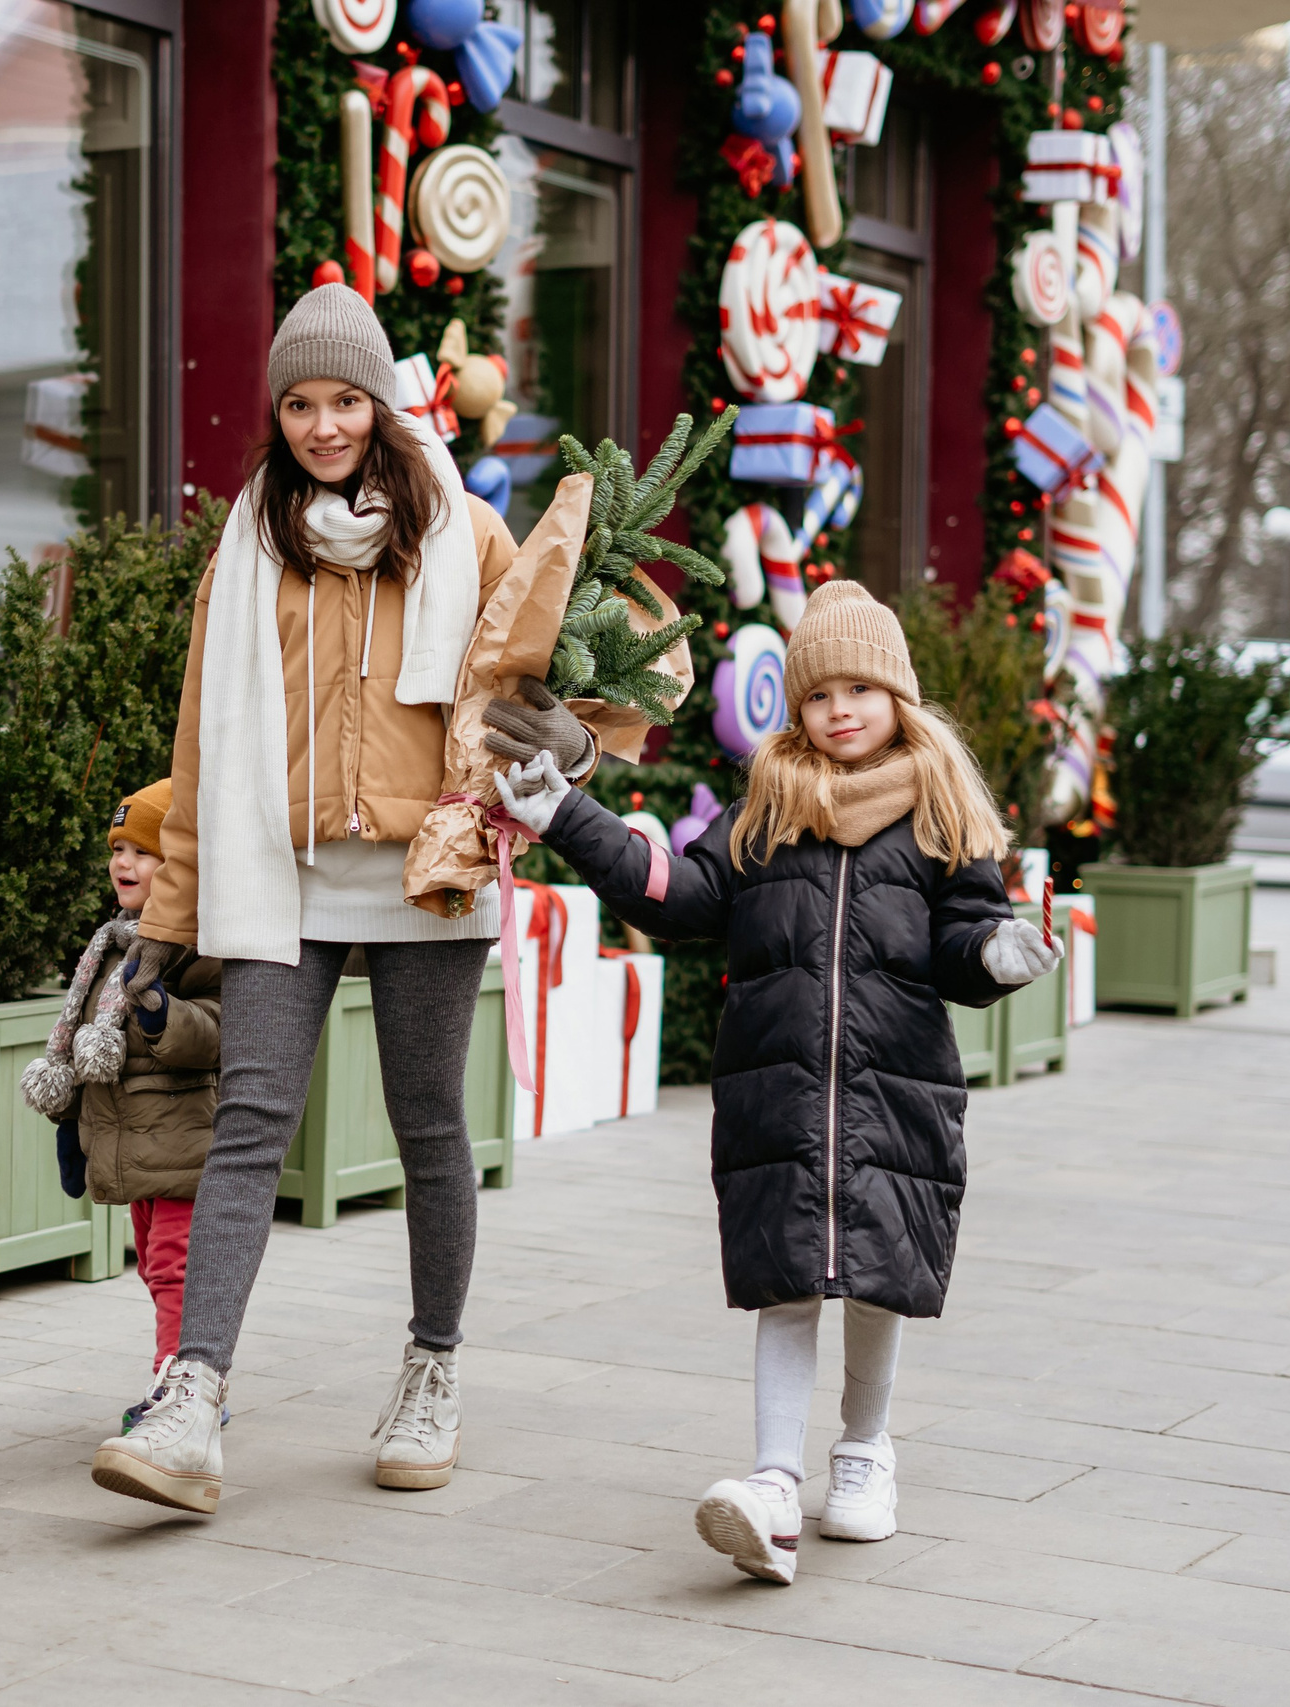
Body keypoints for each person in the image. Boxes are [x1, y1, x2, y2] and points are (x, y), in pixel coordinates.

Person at [490, 579, 1063, 1585]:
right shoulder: (767, 808)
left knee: (875, 1281)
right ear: (793, 708)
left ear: (898, 698)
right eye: (817, 693)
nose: (839, 709)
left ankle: (864, 1455)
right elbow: (679, 894)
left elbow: (963, 946)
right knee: (788, 1285)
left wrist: (1001, 954)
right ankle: (768, 1482)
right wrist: (568, 818)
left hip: (897, 1092)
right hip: (777, 1091)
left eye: (860, 689)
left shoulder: (939, 821)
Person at [90, 284, 531, 1516]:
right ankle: (190, 1400)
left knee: (427, 1122)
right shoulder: (250, 549)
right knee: (248, 1125)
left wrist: (544, 777)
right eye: (299, 403)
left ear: (382, 402)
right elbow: (199, 740)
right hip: (276, 878)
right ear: (275, 412)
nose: (324, 426)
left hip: (425, 877)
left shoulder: (465, 533)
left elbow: (528, 693)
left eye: (344, 400)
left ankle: (432, 1369)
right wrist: (163, 929)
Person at [21, 780, 222, 1429]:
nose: (123, 863)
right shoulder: (110, 943)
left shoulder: (202, 940)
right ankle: (183, 1366)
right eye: (117, 848)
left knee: (173, 1263)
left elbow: (222, 1031)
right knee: (153, 1259)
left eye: (144, 850)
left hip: (185, 1135)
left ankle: (182, 1381)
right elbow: (85, 1033)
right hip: (135, 1139)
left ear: (183, 863)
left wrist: (164, 1009)